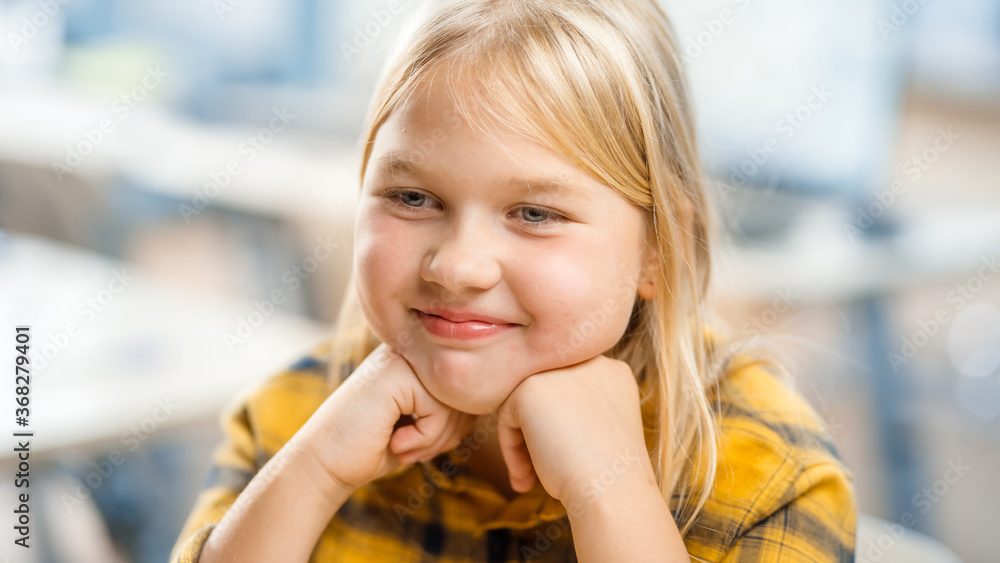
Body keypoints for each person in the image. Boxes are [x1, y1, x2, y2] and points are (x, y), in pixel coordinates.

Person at [171, 0, 857, 560]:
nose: (457, 266)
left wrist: (609, 495)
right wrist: (315, 473)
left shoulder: (770, 477)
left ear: (659, 248)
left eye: (534, 212)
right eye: (412, 197)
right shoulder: (292, 420)